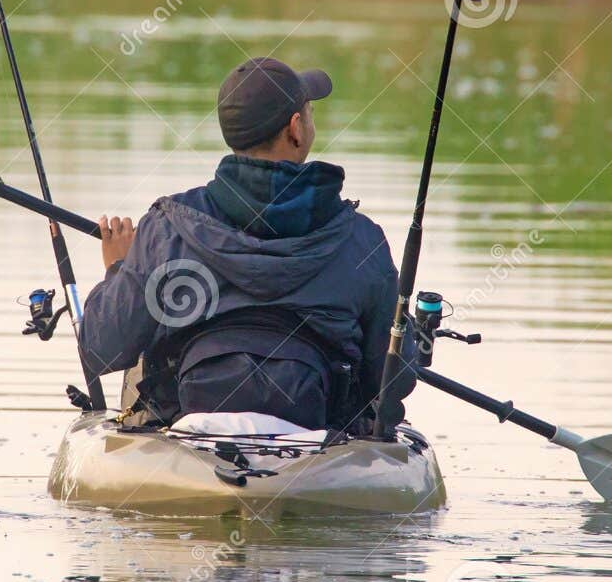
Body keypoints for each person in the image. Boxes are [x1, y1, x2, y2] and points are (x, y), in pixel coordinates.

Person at [80, 56, 415, 433]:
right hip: (317, 443)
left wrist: (119, 269)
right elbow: (393, 379)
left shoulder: (166, 228)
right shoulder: (362, 240)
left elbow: (100, 350)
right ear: (295, 130)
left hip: (186, 443)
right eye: (309, 113)